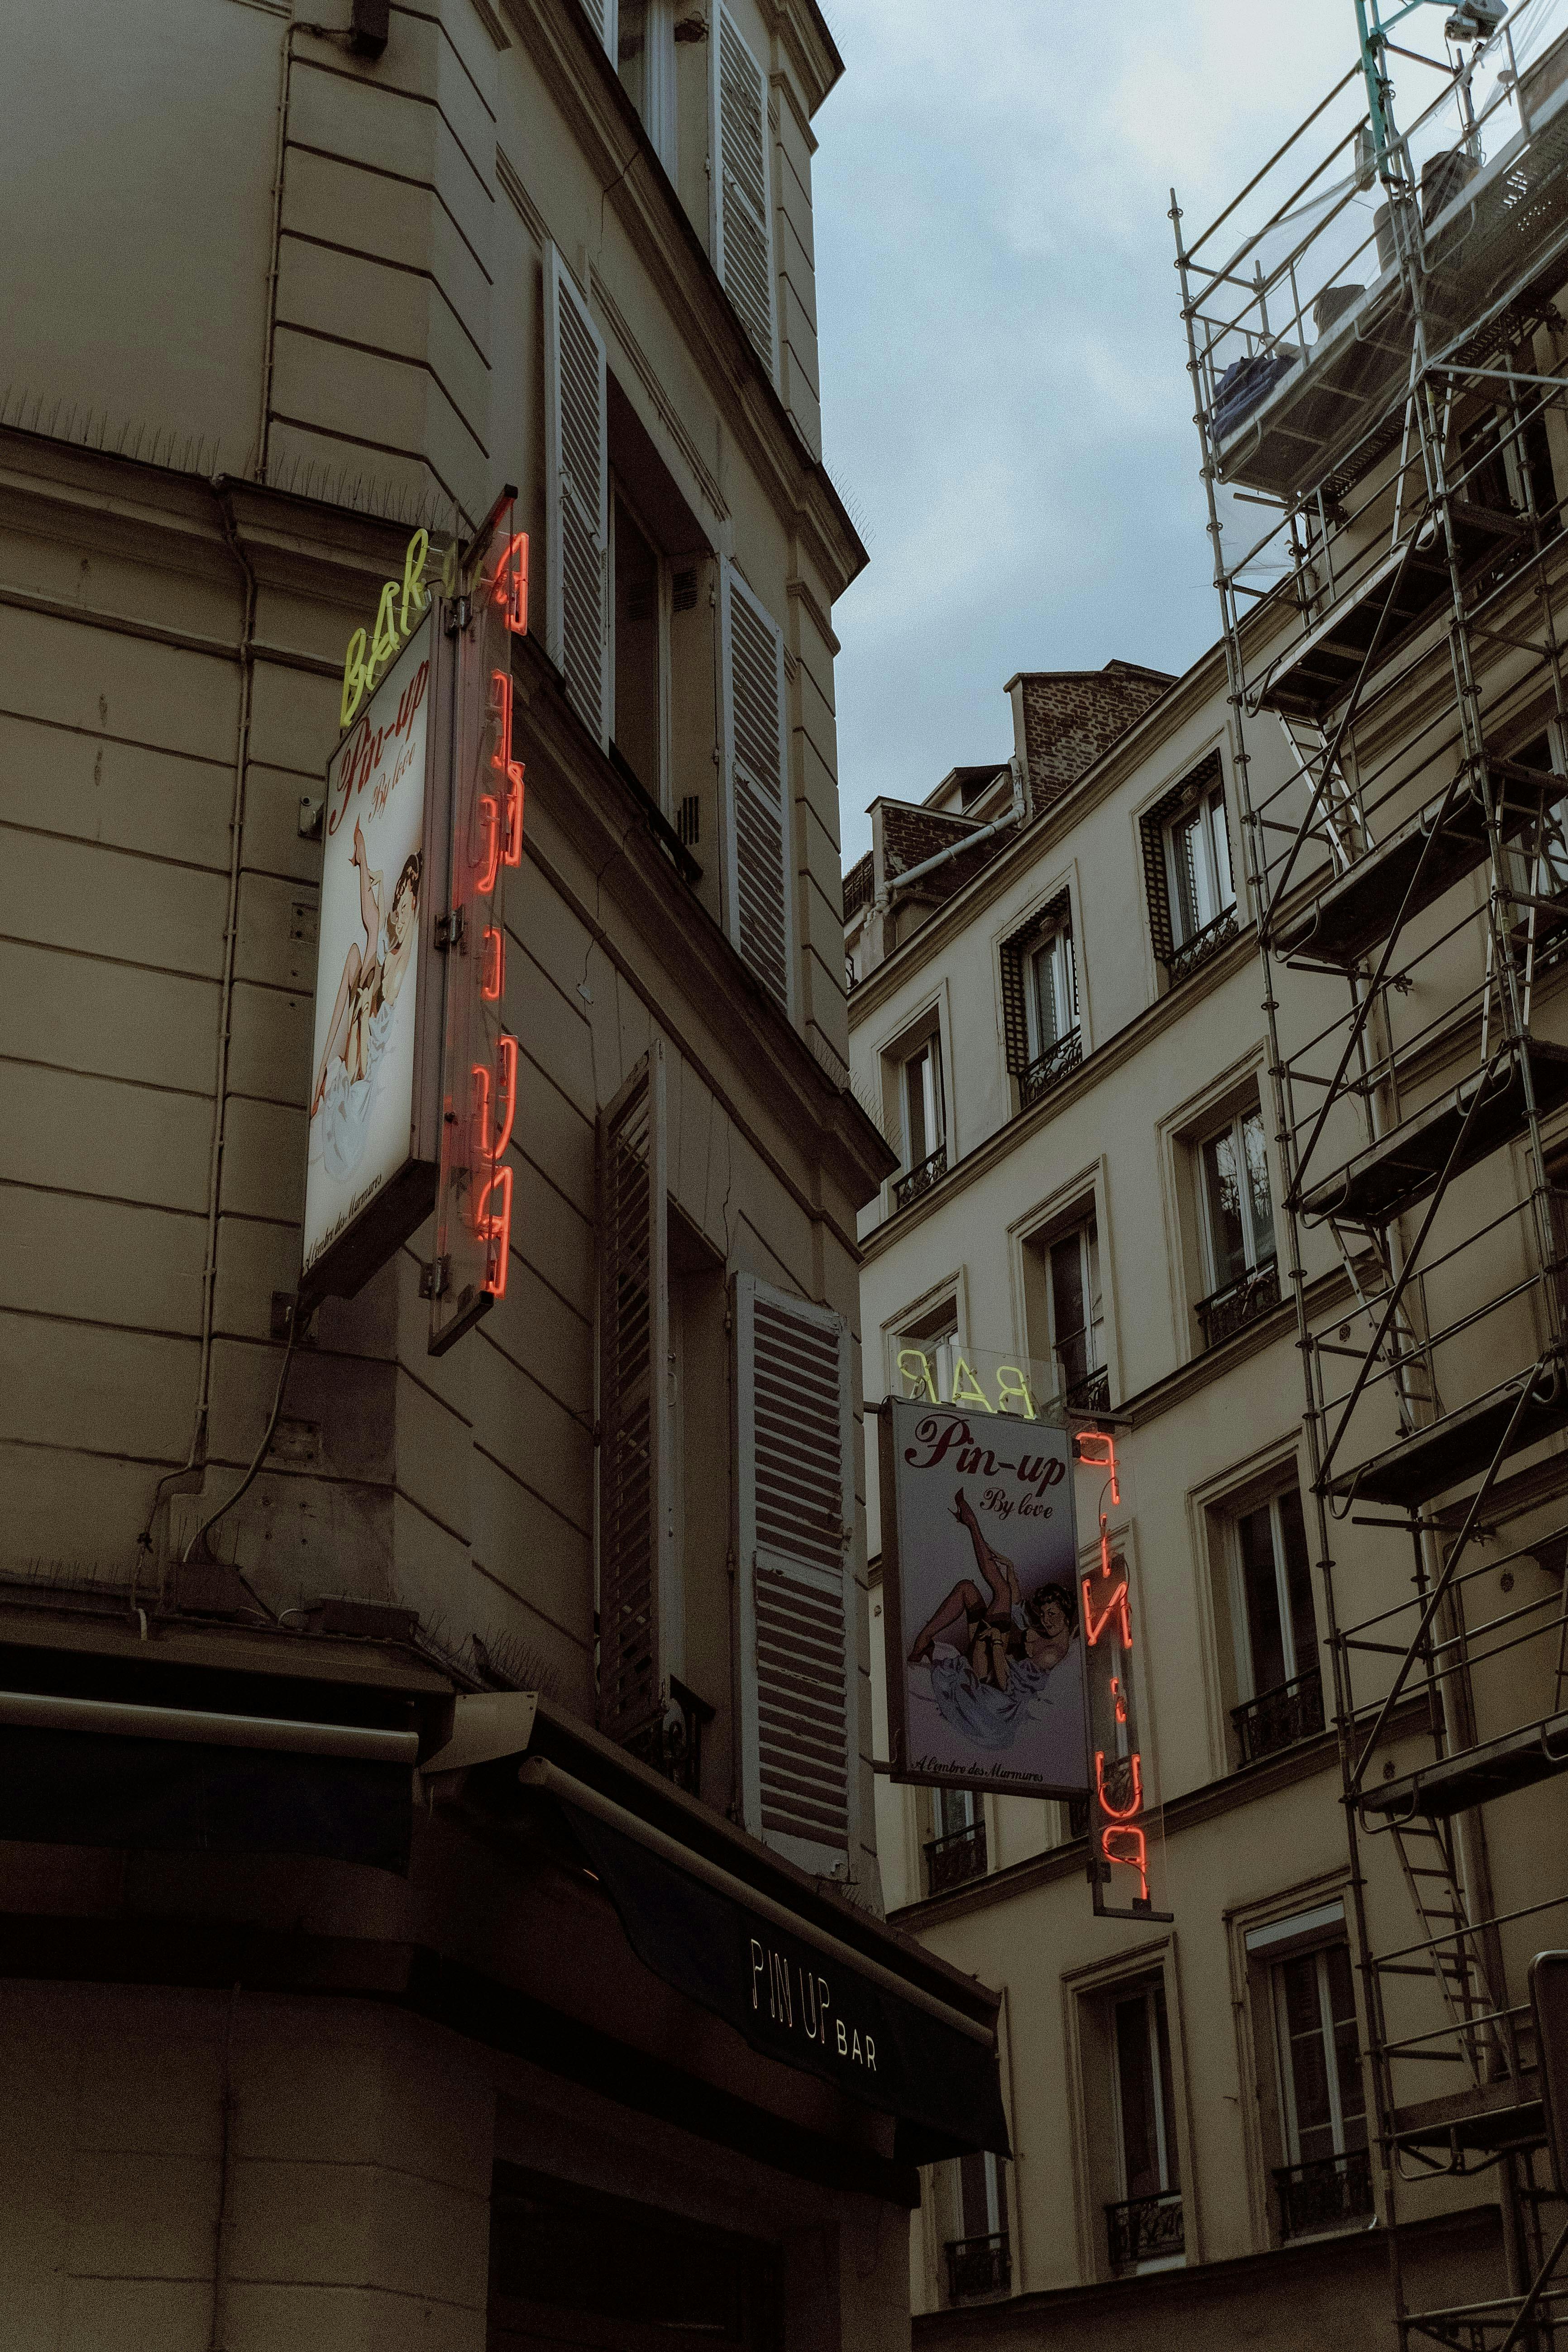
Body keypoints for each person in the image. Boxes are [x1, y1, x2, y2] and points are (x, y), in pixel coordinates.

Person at [908, 1491, 1080, 1752]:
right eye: (1044, 1613)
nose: (1046, 1620)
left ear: (1067, 1617)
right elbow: (1019, 1606)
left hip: (989, 1687)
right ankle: (923, 1642)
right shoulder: (1045, 1633)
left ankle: (972, 1524)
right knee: (968, 1588)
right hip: (988, 1654)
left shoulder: (1052, 1654)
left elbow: (1006, 1685)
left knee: (1000, 1592)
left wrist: (999, 1646)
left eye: (1053, 1615)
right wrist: (1011, 1568)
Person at [309, 819, 421, 1181]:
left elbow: (383, 931)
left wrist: (377, 874)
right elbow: (379, 926)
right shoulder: (388, 947)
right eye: (401, 896)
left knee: (367, 949)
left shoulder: (403, 953)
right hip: (363, 1035)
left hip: (368, 1044)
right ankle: (364, 854)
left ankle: (364, 854)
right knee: (362, 951)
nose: (401, 907)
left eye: (407, 899)